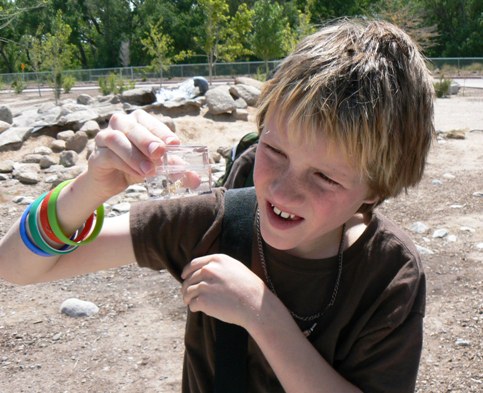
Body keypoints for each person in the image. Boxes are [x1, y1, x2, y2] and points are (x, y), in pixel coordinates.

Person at [0, 18, 434, 393]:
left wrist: (261, 313)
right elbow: (16, 267)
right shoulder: (215, 222)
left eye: (324, 176)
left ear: (376, 188)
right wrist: (90, 189)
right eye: (275, 152)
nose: (282, 191)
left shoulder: (391, 273)